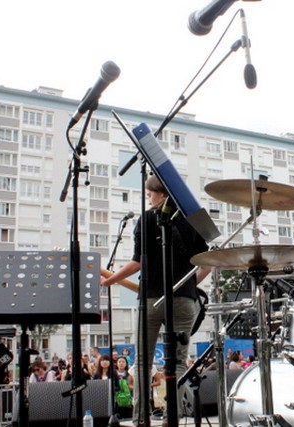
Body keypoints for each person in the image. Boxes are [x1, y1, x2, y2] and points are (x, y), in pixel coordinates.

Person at [101, 174, 211, 426]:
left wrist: (110, 279)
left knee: (143, 362)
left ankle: (142, 420)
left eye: (150, 195)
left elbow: (137, 262)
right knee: (180, 361)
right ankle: (172, 418)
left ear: (160, 194)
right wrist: (189, 285)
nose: (148, 200)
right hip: (184, 300)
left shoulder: (147, 219)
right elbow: (208, 264)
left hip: (151, 298)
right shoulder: (190, 220)